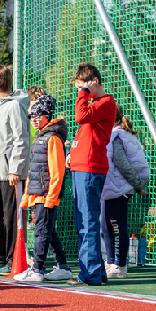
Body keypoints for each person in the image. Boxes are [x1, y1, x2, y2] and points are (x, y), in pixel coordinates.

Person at [69, 63, 118, 285]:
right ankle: (96, 270)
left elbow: (80, 116)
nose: (81, 94)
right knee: (83, 220)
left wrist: (83, 93)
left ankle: (91, 273)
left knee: (87, 222)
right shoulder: (95, 104)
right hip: (81, 167)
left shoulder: (106, 102)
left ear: (94, 83)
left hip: (90, 168)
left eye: (83, 88)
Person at [14, 94, 72, 283]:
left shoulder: (52, 139)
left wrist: (51, 197)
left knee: (42, 231)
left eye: (39, 115)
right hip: (38, 194)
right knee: (48, 230)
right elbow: (35, 169)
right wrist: (27, 196)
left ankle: (37, 268)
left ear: (48, 115)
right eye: (32, 116)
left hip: (47, 195)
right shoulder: (41, 137)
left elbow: (57, 171)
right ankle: (62, 266)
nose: (35, 119)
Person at [0, 65, 30, 275]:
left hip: (10, 173)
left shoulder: (14, 106)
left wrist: (16, 168)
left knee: (12, 217)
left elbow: (21, 138)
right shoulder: (1, 107)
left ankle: (13, 258)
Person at [103, 106, 149, 278]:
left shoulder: (117, 135)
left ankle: (120, 264)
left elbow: (123, 164)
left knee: (117, 225)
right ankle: (110, 261)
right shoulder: (113, 134)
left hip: (119, 187)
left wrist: (137, 185)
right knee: (106, 225)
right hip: (111, 187)